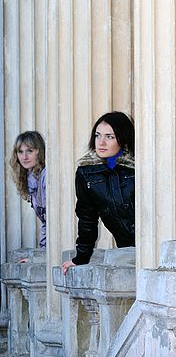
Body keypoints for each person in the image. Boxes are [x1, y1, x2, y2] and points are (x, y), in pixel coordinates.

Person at [61, 111, 135, 274]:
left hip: (154, 245)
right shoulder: (86, 172)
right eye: (97, 135)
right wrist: (81, 258)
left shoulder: (138, 168)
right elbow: (87, 218)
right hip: (128, 250)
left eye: (110, 137)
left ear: (123, 139)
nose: (101, 142)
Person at [9, 131, 47, 251]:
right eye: (20, 152)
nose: (24, 157)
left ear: (39, 152)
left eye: (29, 151)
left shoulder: (46, 176)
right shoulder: (30, 179)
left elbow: (52, 221)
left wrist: (43, 253)